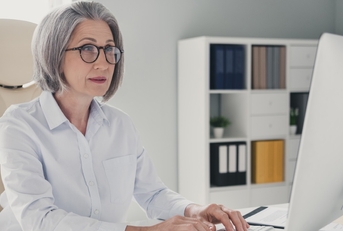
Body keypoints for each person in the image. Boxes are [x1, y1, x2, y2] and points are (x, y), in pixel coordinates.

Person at [0, 1, 249, 231]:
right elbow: (40, 219)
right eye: (88, 49)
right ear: (53, 53)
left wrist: (196, 210)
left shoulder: (120, 125)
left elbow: (152, 193)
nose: (104, 63)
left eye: (110, 49)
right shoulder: (19, 126)